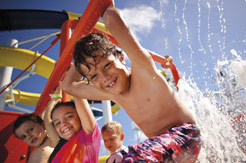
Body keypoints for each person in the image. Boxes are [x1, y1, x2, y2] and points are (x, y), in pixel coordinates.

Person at [62, 4, 201, 163]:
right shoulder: (111, 92)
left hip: (185, 134)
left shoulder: (142, 70)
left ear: (121, 58)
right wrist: (81, 58)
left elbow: (111, 19)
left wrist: (86, 27)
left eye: (107, 65)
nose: (105, 77)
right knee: (117, 159)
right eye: (94, 76)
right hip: (161, 148)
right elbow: (67, 86)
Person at [49, 96, 101, 162]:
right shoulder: (58, 152)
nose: (63, 124)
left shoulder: (87, 137)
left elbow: (77, 94)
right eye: (57, 123)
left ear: (80, 116)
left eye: (69, 117)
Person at [13, 93, 61, 163]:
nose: (29, 137)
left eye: (31, 130)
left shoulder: (52, 140)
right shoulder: (35, 151)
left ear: (43, 125)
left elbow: (47, 118)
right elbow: (43, 117)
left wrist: (54, 96)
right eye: (23, 137)